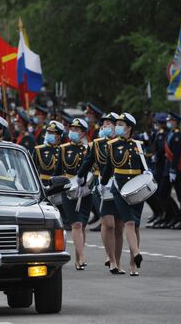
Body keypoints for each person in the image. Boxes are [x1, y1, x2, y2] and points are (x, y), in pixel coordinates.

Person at [99, 113, 147, 276]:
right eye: (117, 123)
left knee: (137, 225)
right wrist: (102, 183)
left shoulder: (139, 145)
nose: (117, 126)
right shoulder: (111, 145)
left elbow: (145, 168)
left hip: (137, 188)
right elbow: (107, 168)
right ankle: (136, 253)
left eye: (120, 124)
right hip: (119, 189)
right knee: (129, 222)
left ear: (129, 127)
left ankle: (133, 264)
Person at [77, 112, 125, 274]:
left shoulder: (123, 143)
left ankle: (117, 262)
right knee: (108, 223)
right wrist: (80, 177)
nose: (105, 127)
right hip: (101, 185)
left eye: (109, 124)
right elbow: (87, 161)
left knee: (119, 225)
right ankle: (110, 258)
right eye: (103, 124)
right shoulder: (97, 144)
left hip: (119, 185)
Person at [54, 118, 91, 270]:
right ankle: (82, 257)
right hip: (69, 189)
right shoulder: (63, 148)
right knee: (75, 224)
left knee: (81, 225)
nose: (73, 132)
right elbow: (57, 172)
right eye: (72, 129)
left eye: (77, 130)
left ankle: (78, 257)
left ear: (83, 133)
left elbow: (93, 169)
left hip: (85, 189)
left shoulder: (89, 148)